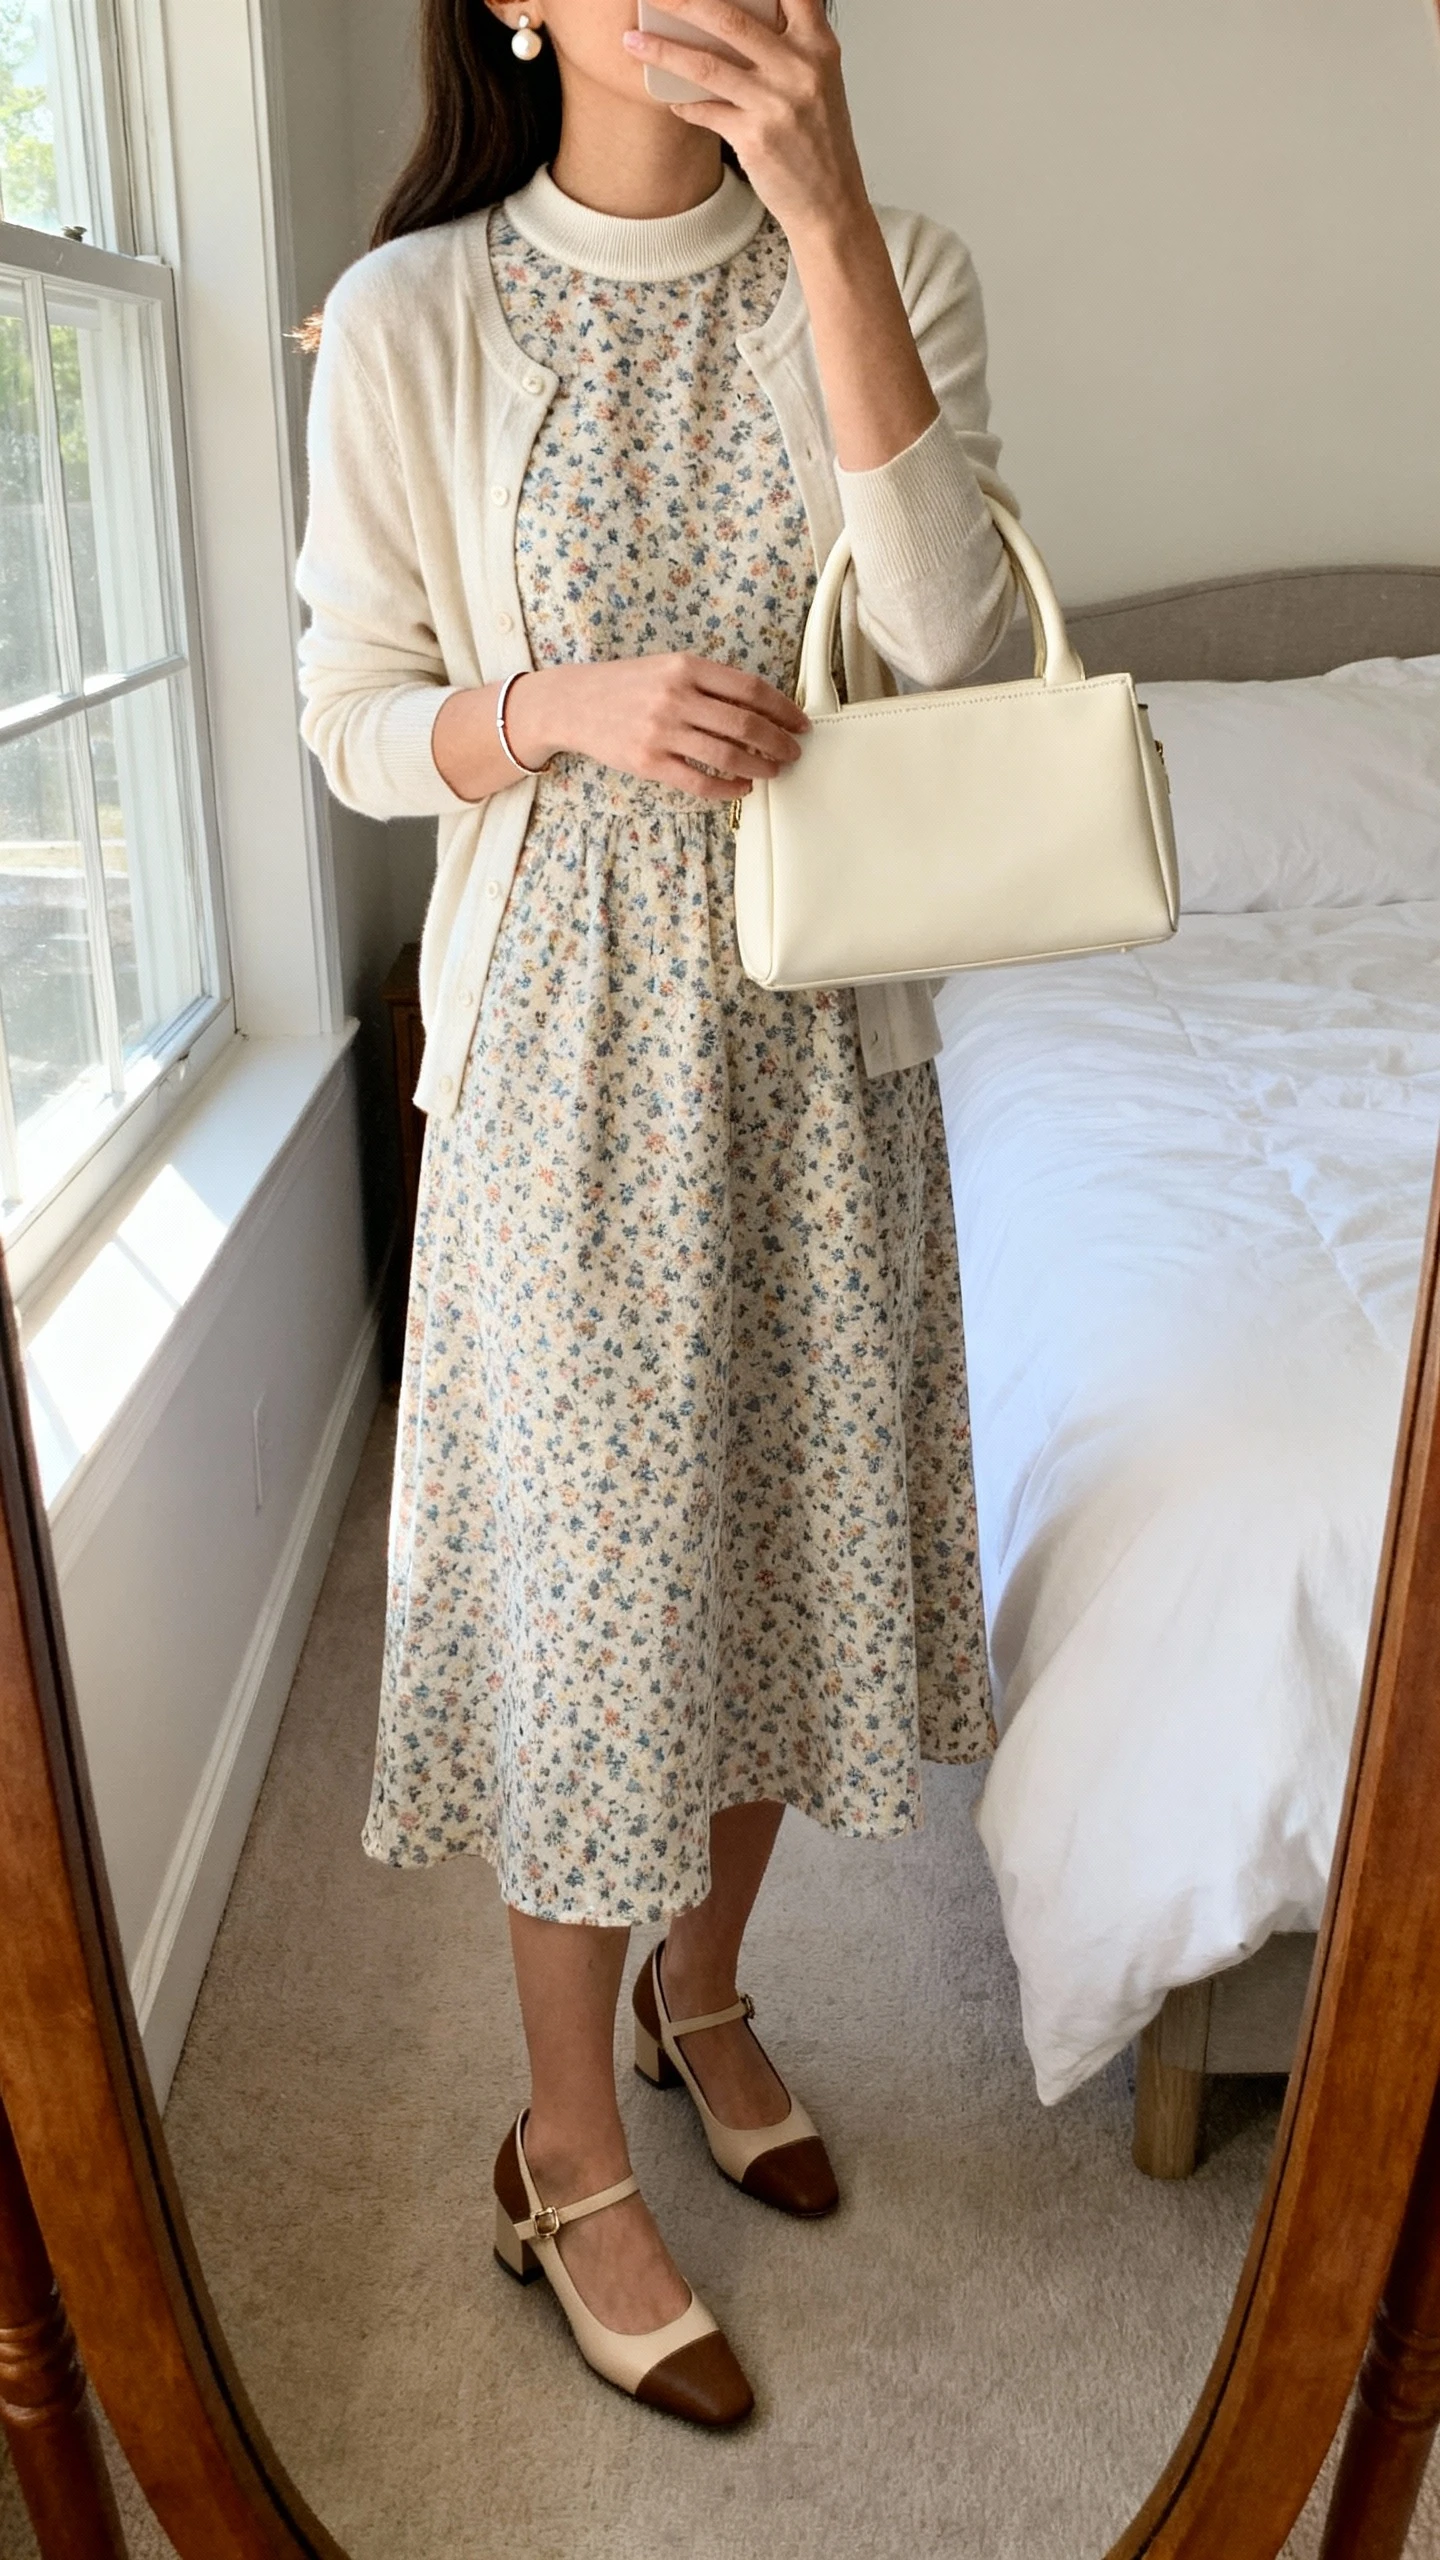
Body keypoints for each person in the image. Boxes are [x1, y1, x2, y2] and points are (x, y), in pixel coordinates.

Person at [296, 0, 1018, 2429]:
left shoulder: (895, 253)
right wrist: (565, 707)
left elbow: (956, 649)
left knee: (762, 1567)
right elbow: (352, 713)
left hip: (821, 1043)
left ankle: (704, 1993)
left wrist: (822, 218)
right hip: (567, 1074)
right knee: (603, 1611)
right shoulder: (411, 317)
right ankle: (568, 2143)